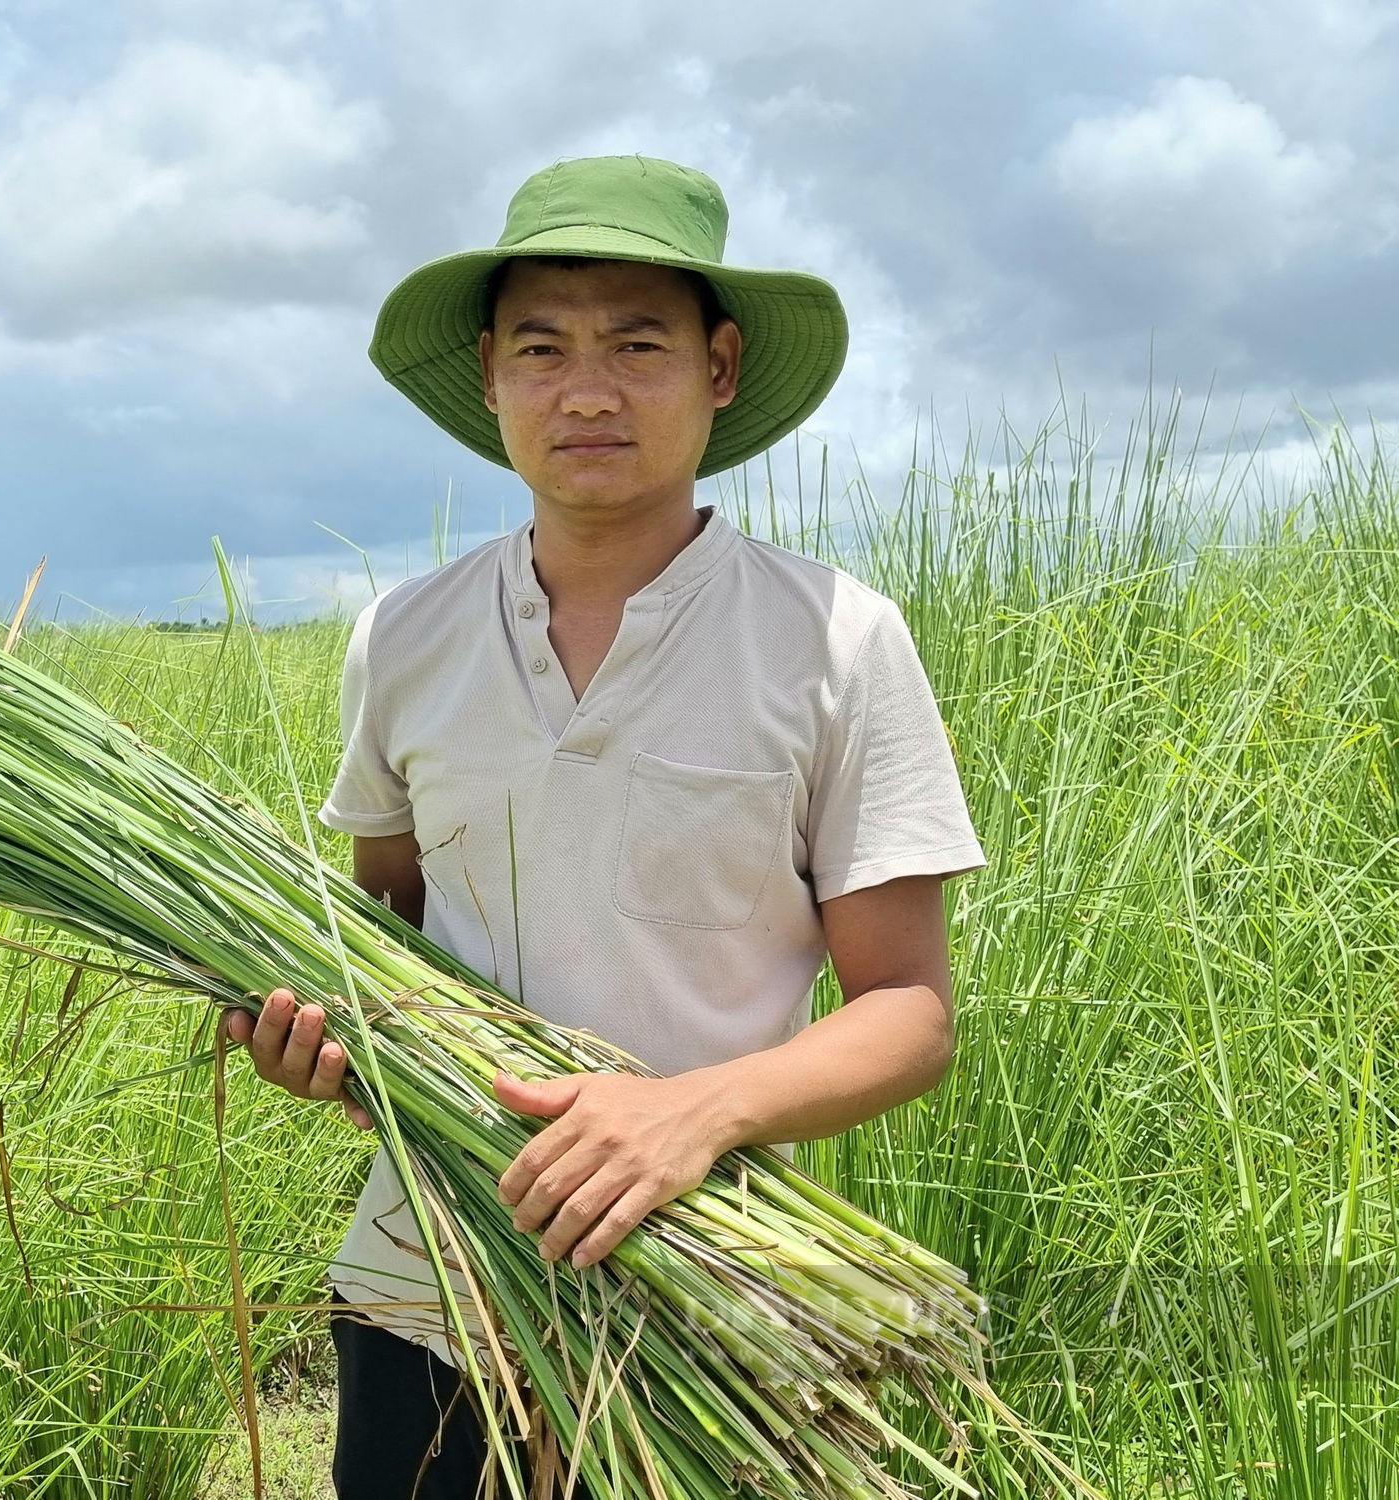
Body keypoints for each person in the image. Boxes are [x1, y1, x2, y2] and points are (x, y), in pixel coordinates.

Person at [221, 153, 987, 1500]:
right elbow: (385, 940)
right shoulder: (402, 637)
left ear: (722, 367)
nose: (587, 390)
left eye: (639, 344)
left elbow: (910, 1010)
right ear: (492, 376)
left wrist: (693, 1114)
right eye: (544, 348)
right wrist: (322, 1043)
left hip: (709, 1300)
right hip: (423, 1289)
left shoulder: (836, 638)